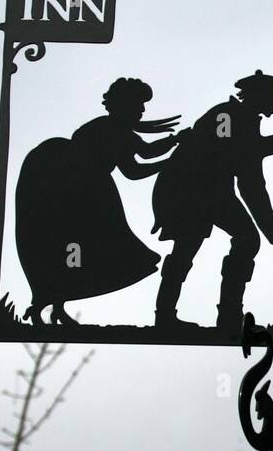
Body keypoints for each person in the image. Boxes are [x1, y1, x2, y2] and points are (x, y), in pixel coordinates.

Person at [15, 78, 179, 324]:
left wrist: (173, 146)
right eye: (138, 105)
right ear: (124, 105)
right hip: (80, 197)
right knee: (70, 248)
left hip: (94, 194)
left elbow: (137, 164)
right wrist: (171, 155)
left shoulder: (122, 133)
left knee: (83, 251)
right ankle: (46, 303)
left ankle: (55, 305)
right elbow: (141, 161)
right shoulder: (107, 128)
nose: (142, 111)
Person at [150, 70, 273, 331]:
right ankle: (166, 315)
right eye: (272, 98)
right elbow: (239, 155)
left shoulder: (248, 124)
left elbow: (252, 183)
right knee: (186, 249)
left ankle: (229, 316)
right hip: (190, 190)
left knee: (245, 240)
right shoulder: (225, 115)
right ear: (256, 95)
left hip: (216, 192)